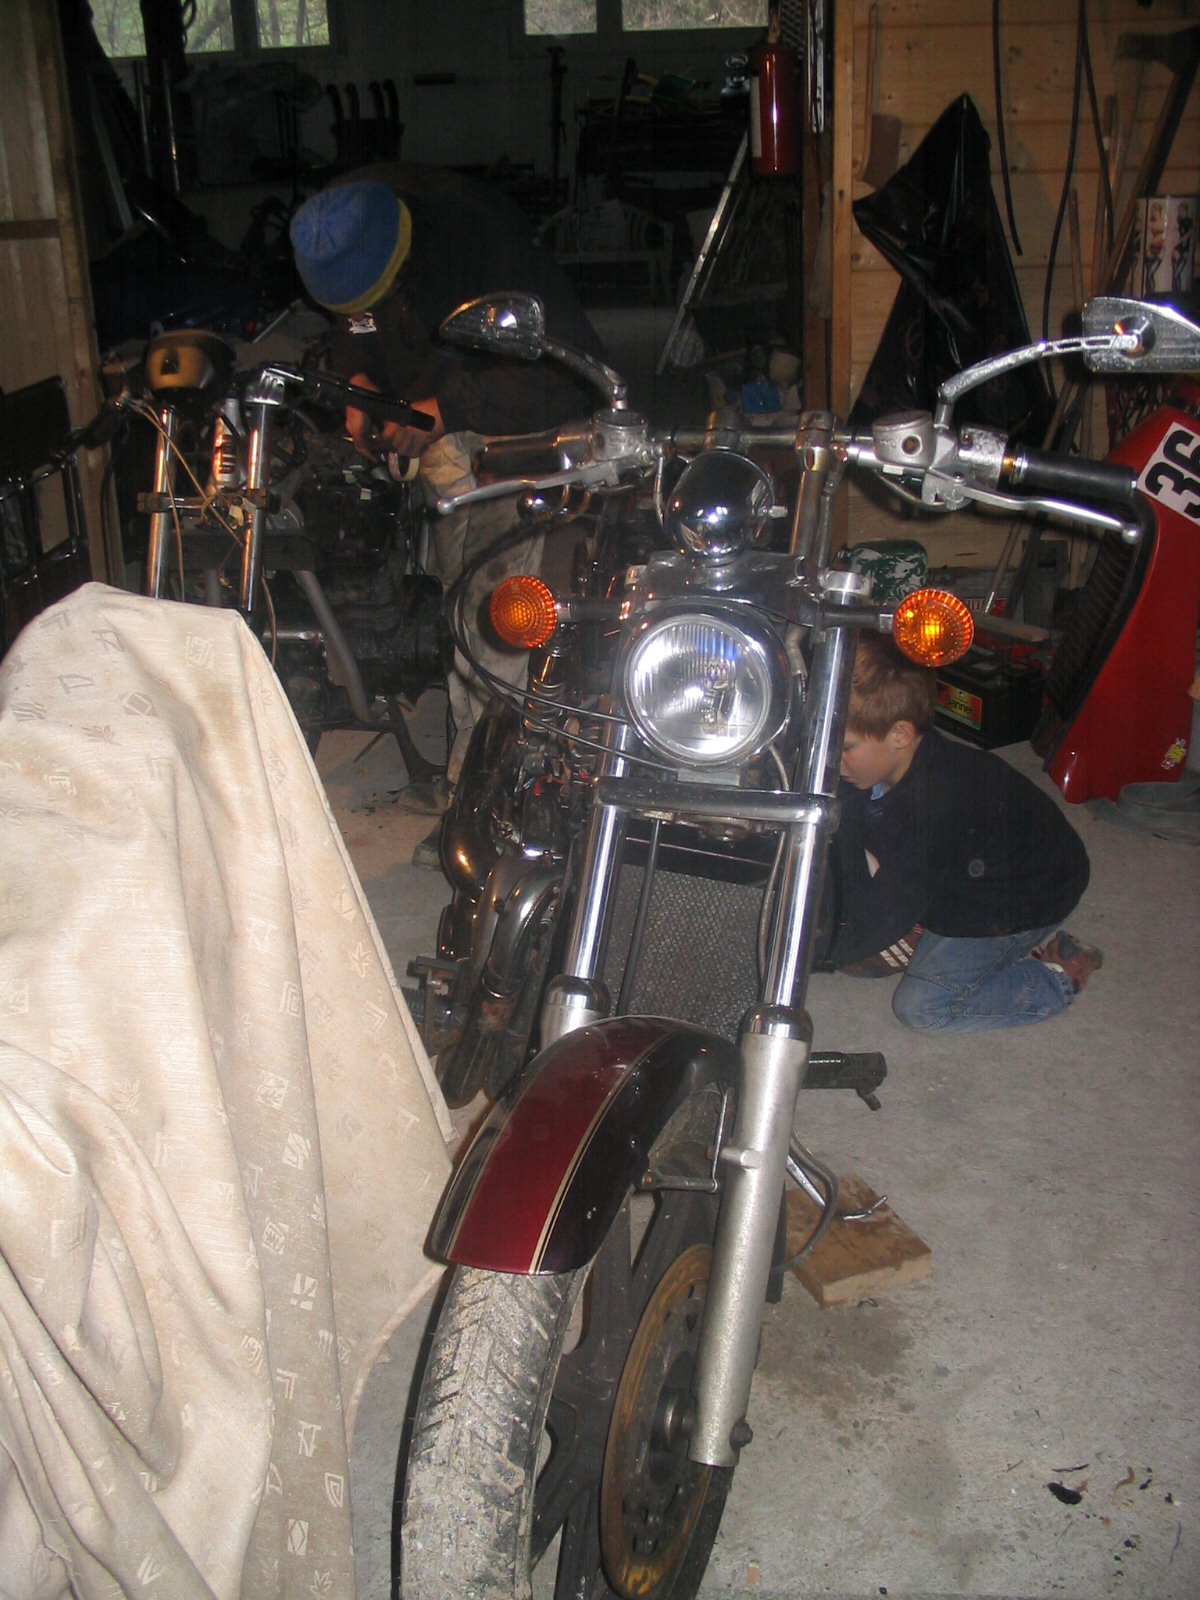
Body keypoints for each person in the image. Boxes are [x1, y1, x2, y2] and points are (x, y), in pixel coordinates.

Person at [288, 163, 608, 854]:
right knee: (450, 588)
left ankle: (485, 797)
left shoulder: (483, 240)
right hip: (438, 407)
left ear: (402, 251)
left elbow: (553, 373)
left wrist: (441, 412)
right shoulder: (339, 222)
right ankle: (473, 757)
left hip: (514, 407)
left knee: (489, 607)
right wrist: (359, 381)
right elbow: (358, 324)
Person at [828, 633, 1102, 1032]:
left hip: (1021, 894)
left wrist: (822, 950)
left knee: (922, 1008)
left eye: (846, 747)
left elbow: (872, 922)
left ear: (900, 735)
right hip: (965, 866)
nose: (833, 760)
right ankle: (921, 927)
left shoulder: (932, 811)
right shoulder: (882, 766)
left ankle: (1057, 980)